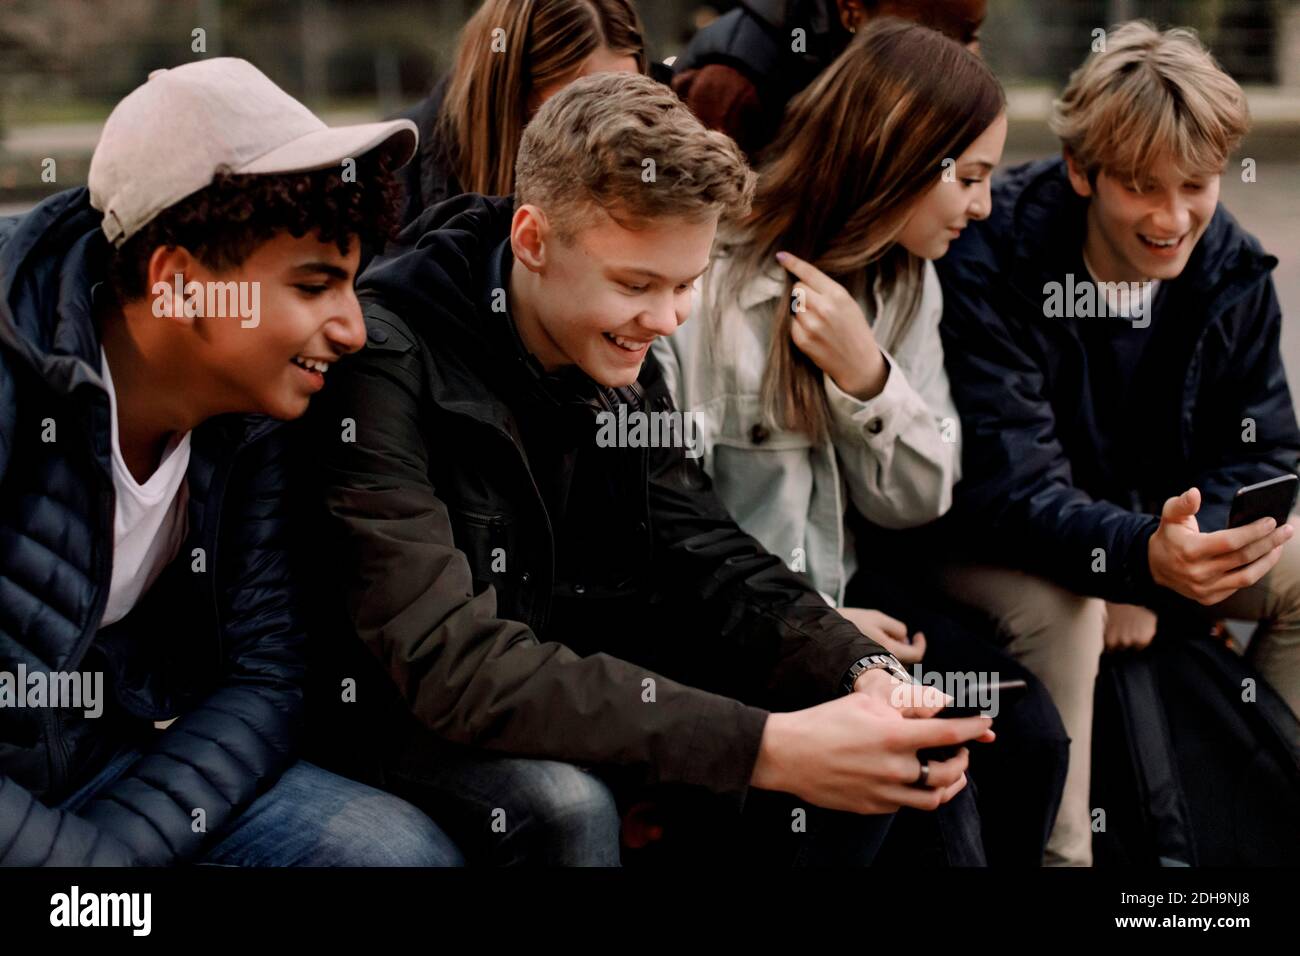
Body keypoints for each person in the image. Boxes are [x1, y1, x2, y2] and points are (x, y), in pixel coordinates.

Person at [303, 70, 994, 866]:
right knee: (563, 806)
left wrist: (858, 669)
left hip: (569, 669)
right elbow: (449, 664)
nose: (665, 320)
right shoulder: (386, 359)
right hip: (393, 712)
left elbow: (705, 547)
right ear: (531, 240)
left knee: (896, 736)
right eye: (636, 285)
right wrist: (765, 746)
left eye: (687, 285)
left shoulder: (619, 355)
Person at [0, 57, 463, 866]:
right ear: (178, 285)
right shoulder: (14, 383)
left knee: (394, 853)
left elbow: (265, 678)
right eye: (315, 286)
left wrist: (116, 860)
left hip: (102, 770)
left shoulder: (255, 416)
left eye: (351, 285)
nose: (353, 328)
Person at [654, 19, 1067, 865]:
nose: (984, 205)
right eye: (973, 178)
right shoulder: (712, 274)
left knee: (1026, 735)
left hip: (841, 600)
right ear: (902, 157)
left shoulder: (906, 283)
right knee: (931, 779)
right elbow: (671, 522)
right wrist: (818, 624)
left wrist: (868, 378)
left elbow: (920, 498)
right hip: (727, 625)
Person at [934, 20, 1300, 867]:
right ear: (1081, 171)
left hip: (1149, 546)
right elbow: (1005, 483)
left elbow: (1265, 449)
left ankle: (1271, 821)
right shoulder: (995, 254)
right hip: (1010, 543)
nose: (1174, 218)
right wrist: (1134, 563)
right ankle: (1068, 860)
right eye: (1141, 186)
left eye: (1198, 184)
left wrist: (1182, 566)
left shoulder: (1231, 270)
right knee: (1071, 616)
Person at [395, 0, 646, 230]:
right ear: (511, 95)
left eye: (629, 98)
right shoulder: (387, 176)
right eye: (583, 109)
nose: (608, 131)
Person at [672, 0, 985, 159]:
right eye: (935, 39)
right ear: (852, 11)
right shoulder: (732, 89)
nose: (966, 60)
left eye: (971, 35)